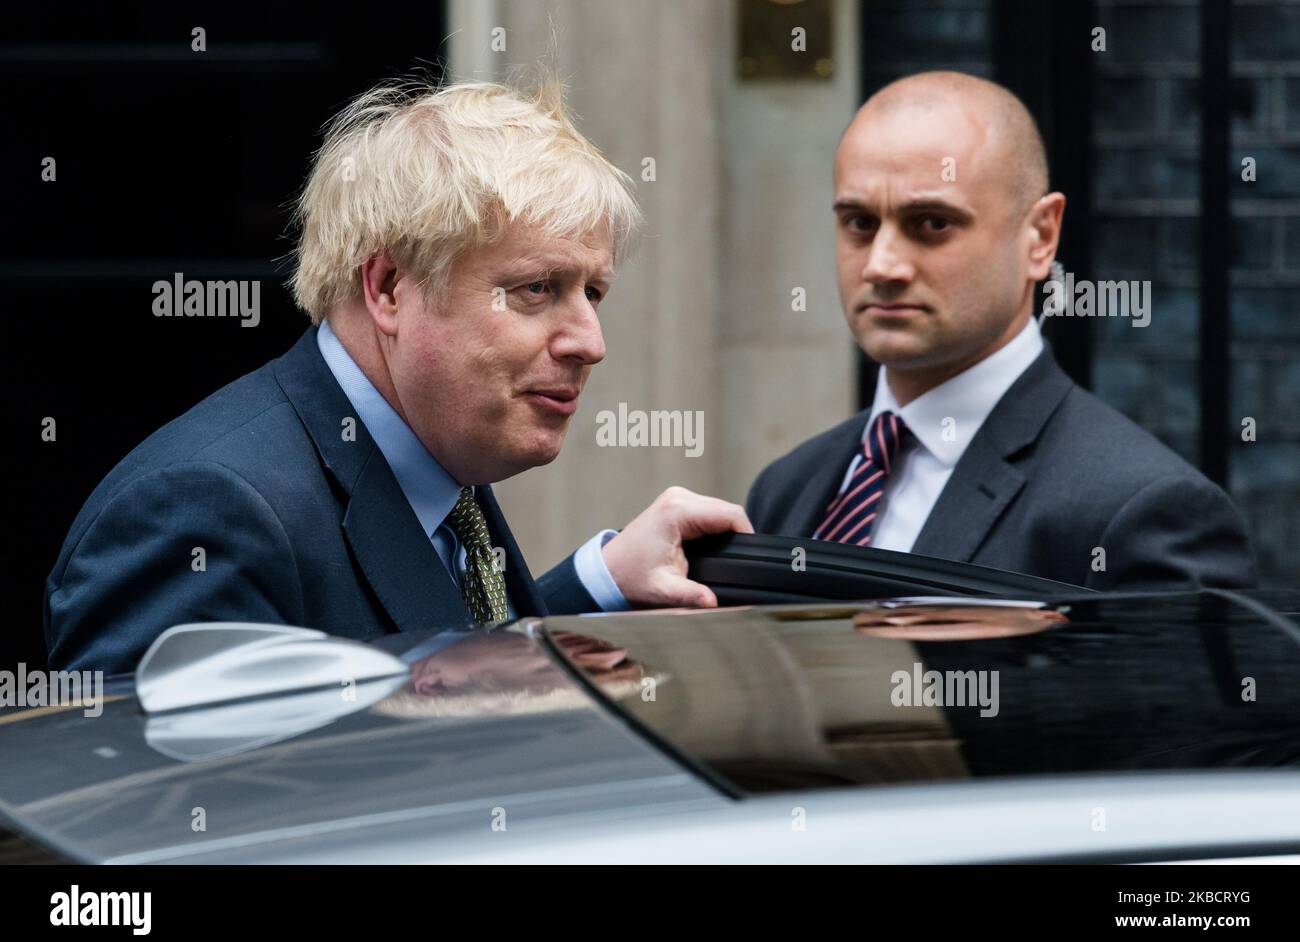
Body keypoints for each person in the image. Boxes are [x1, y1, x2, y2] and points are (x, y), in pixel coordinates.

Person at [45, 77, 750, 675]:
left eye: (591, 293)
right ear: (388, 287)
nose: (589, 342)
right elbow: (151, 825)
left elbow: (441, 660)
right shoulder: (206, 513)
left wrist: (601, 582)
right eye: (537, 289)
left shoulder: (442, 464)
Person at [747, 71, 1255, 591]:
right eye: (860, 223)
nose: (882, 265)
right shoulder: (786, 490)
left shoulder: (1141, 511)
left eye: (931, 224)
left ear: (1040, 237)